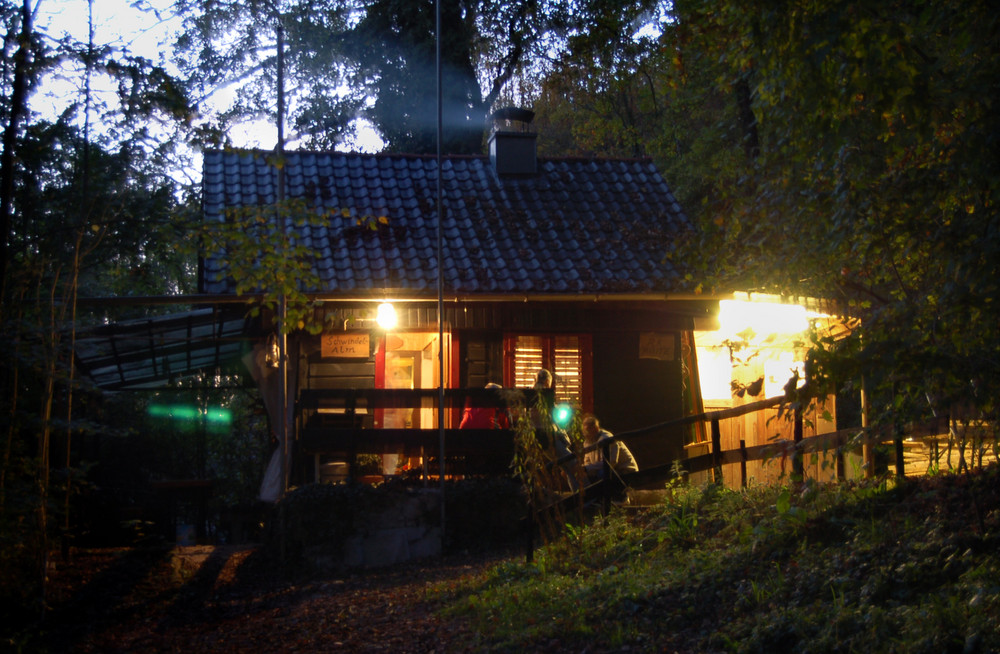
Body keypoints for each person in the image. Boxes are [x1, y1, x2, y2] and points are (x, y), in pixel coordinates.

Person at [582, 414, 638, 482]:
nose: (585, 433)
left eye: (588, 429)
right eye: (585, 430)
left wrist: (587, 468)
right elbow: (587, 461)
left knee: (602, 474)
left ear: (596, 428)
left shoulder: (607, 438)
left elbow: (612, 462)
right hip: (613, 470)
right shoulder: (588, 442)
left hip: (625, 470)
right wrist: (586, 469)